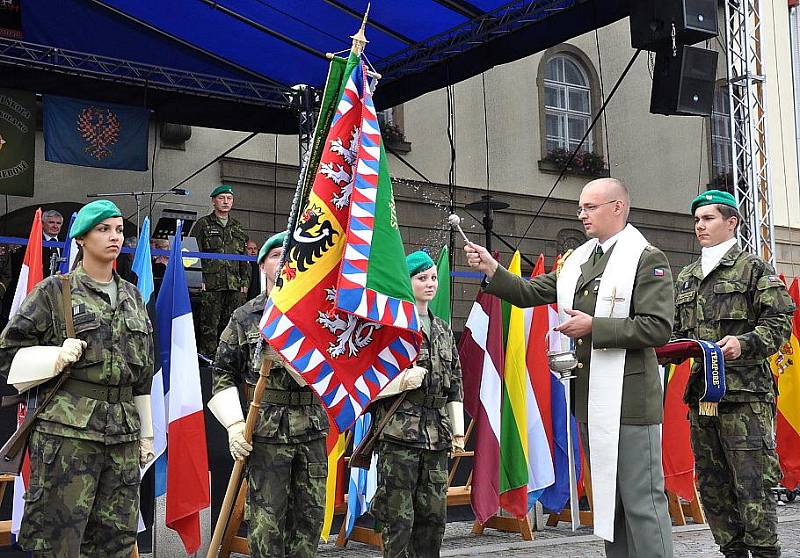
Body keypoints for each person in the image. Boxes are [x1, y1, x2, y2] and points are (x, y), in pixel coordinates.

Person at [465, 178, 674, 558]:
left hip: (629, 401)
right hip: (591, 398)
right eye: (580, 208)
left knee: (641, 501)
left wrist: (595, 327)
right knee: (610, 500)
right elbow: (531, 292)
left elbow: (658, 328)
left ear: (617, 207)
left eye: (590, 207)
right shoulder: (580, 259)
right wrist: (493, 268)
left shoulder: (646, 258)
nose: (582, 214)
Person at [0, 199, 155, 556]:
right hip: (67, 437)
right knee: (59, 537)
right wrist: (53, 357)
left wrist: (145, 434)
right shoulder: (55, 292)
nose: (114, 236)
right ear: (81, 239)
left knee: (115, 538)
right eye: (103, 229)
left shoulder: (132, 297)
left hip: (122, 436)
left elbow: (142, 374)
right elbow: (7, 356)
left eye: (118, 229)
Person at [671, 190, 794, 558]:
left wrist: (745, 343)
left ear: (731, 222)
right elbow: (677, 331)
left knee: (753, 482)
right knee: (713, 484)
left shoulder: (753, 268)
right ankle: (733, 551)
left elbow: (780, 323)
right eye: (696, 220)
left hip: (745, 397)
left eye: (708, 219)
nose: (700, 226)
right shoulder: (688, 276)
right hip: (703, 399)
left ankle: (764, 553)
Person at [208, 231, 329, 557]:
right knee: (266, 526)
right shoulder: (245, 317)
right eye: (276, 254)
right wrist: (234, 425)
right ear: (262, 264)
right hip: (265, 434)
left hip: (312, 432)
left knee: (308, 523)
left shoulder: (319, 313)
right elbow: (221, 372)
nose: (284, 259)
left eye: (291, 253)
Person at [370, 250, 464, 558]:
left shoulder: (442, 330)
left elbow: (455, 383)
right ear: (406, 281)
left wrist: (458, 430)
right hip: (400, 433)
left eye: (433, 277)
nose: (430, 283)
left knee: (434, 517)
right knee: (398, 518)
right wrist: (401, 381)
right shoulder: (392, 327)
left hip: (436, 434)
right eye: (421, 278)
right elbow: (368, 380)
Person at [190, 184, 250, 358]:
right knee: (209, 325)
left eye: (229, 198)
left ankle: (227, 361)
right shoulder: (203, 224)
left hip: (234, 285)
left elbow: (244, 258)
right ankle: (207, 361)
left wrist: (244, 282)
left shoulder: (237, 227)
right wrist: (197, 278)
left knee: (231, 326)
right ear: (213, 201)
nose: (226, 202)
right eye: (221, 198)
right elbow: (192, 252)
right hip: (211, 284)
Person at [41, 209, 64, 277]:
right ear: (42, 224)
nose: (55, 226)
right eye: (51, 222)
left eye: (58, 223)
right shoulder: (33, 241)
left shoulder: (66, 242)